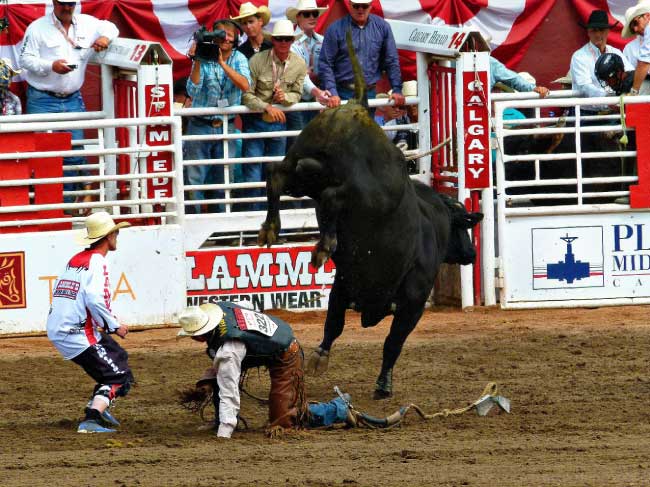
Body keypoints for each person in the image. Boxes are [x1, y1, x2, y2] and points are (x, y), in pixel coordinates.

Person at [19, 0, 119, 207]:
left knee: (74, 155)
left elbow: (111, 27)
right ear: (54, 3)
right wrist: (50, 66)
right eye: (63, 3)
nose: (67, 7)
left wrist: (104, 37)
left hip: (72, 98)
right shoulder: (37, 28)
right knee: (44, 157)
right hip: (42, 99)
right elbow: (25, 60)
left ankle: (67, 206)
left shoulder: (87, 23)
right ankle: (50, 207)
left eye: (70, 4)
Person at [46, 211, 134, 434]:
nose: (118, 235)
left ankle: (100, 404)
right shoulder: (97, 262)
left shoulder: (77, 259)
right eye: (116, 232)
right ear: (108, 237)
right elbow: (95, 298)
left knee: (118, 356)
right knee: (118, 376)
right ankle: (92, 418)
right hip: (76, 331)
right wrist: (114, 325)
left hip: (64, 327)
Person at [184, 19, 251, 214]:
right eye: (220, 34)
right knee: (195, 177)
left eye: (229, 34)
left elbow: (245, 85)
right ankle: (193, 220)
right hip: (200, 124)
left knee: (224, 176)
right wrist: (197, 60)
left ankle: (222, 221)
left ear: (236, 38)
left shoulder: (238, 58)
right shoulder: (205, 56)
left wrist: (221, 62)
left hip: (225, 124)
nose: (224, 38)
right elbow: (193, 91)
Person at [241, 19, 306, 211]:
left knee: (275, 174)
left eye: (287, 39)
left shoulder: (299, 64)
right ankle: (253, 220)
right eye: (280, 39)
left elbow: (297, 93)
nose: (284, 43)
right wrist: (267, 106)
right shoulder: (257, 61)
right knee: (252, 175)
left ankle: (272, 219)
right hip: (256, 123)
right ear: (274, 40)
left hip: (279, 125)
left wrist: (284, 98)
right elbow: (246, 94)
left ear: (292, 41)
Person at [319, 0, 404, 108]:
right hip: (342, 94)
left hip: (369, 93)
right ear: (350, 5)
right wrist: (332, 92)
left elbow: (391, 61)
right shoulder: (334, 29)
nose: (360, 9)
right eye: (356, 6)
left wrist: (397, 89)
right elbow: (325, 63)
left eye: (364, 6)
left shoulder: (383, 27)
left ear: (370, 6)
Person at [570, 9, 632, 113]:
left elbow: (629, 74)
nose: (598, 34)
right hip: (589, 114)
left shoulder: (616, 52)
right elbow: (585, 88)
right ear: (588, 32)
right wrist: (609, 99)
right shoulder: (579, 57)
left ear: (608, 31)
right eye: (594, 30)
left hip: (614, 110)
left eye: (602, 30)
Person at [286, 0, 331, 141]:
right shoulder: (290, 42)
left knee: (317, 141)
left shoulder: (323, 41)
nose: (312, 17)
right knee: (299, 143)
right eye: (307, 14)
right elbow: (300, 75)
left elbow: (328, 70)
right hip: (297, 100)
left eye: (315, 14)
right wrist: (319, 93)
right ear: (298, 17)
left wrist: (324, 92)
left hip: (317, 99)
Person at [621, 0, 650, 95]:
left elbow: (644, 62)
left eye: (636, 23)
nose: (635, 29)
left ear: (647, 16)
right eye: (632, 28)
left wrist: (634, 92)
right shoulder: (629, 48)